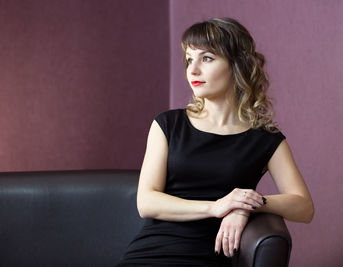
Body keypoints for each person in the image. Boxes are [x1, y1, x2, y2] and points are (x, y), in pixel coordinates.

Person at [115, 17, 314, 267]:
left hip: (207, 257)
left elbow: (304, 207)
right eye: (189, 59)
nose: (193, 70)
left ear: (236, 65)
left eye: (206, 58)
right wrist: (217, 207)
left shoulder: (265, 139)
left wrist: (245, 205)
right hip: (150, 252)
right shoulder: (168, 124)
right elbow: (147, 203)